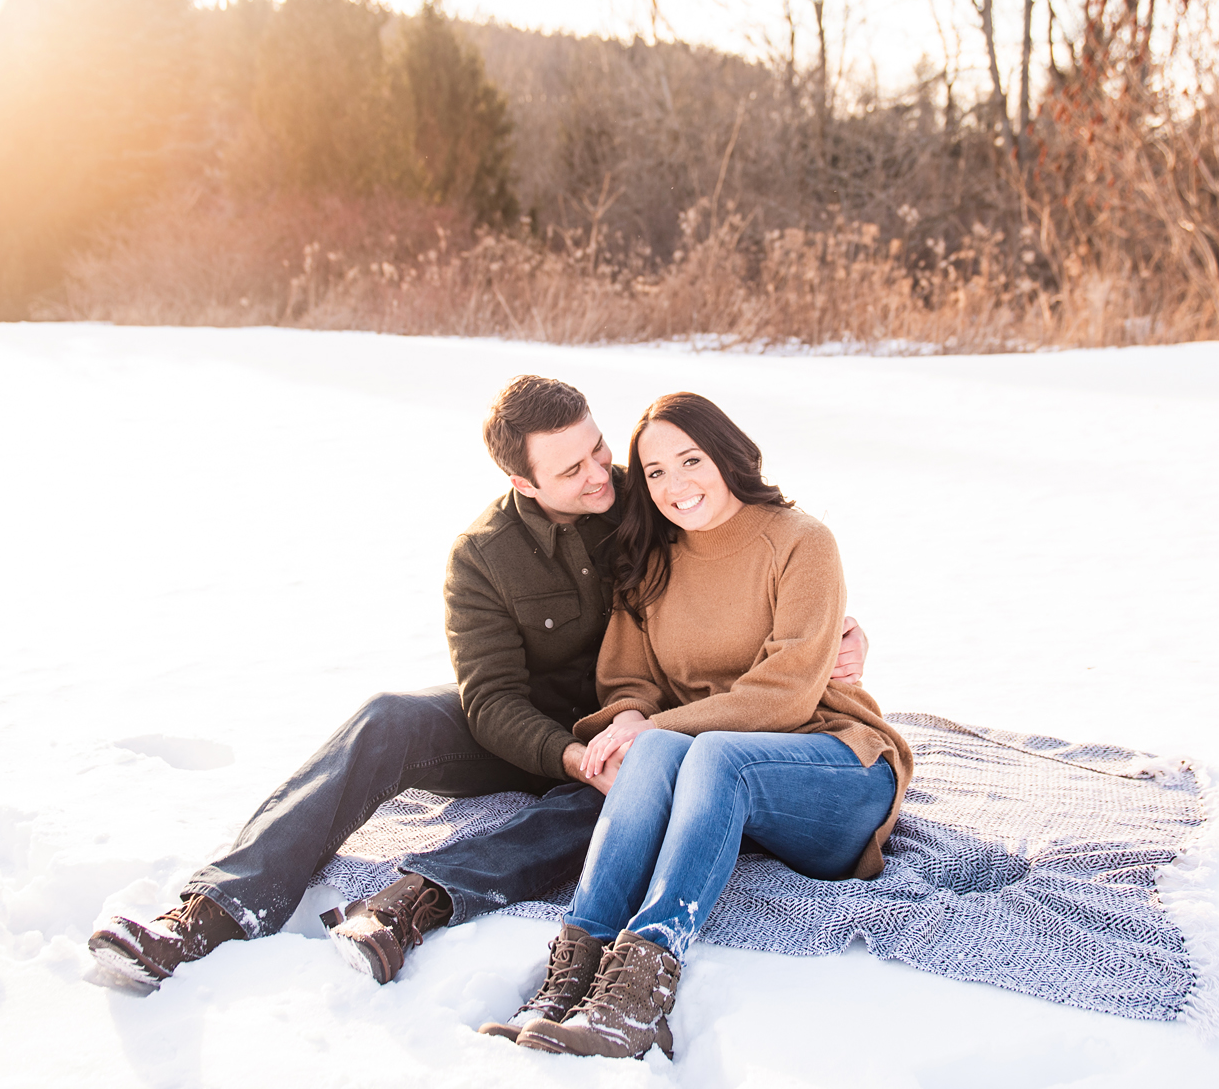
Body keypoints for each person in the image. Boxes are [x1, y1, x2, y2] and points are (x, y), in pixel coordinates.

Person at [87, 376, 869, 992]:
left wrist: (846, 630)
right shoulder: (482, 557)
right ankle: (211, 910)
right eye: (572, 468)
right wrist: (568, 753)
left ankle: (414, 901)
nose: (603, 472)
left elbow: (752, 542)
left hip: (643, 724)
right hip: (537, 728)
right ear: (522, 480)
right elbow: (491, 701)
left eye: (599, 449)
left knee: (621, 783)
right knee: (388, 716)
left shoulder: (648, 495)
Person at [478, 392, 912, 1059]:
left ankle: (641, 992)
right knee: (659, 752)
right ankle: (572, 969)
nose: (675, 485)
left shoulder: (801, 541)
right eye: (654, 472)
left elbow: (787, 692)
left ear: (727, 454)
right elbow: (630, 683)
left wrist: (657, 726)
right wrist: (628, 721)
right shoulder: (655, 557)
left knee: (702, 752)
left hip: (836, 771)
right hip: (724, 778)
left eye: (690, 460)